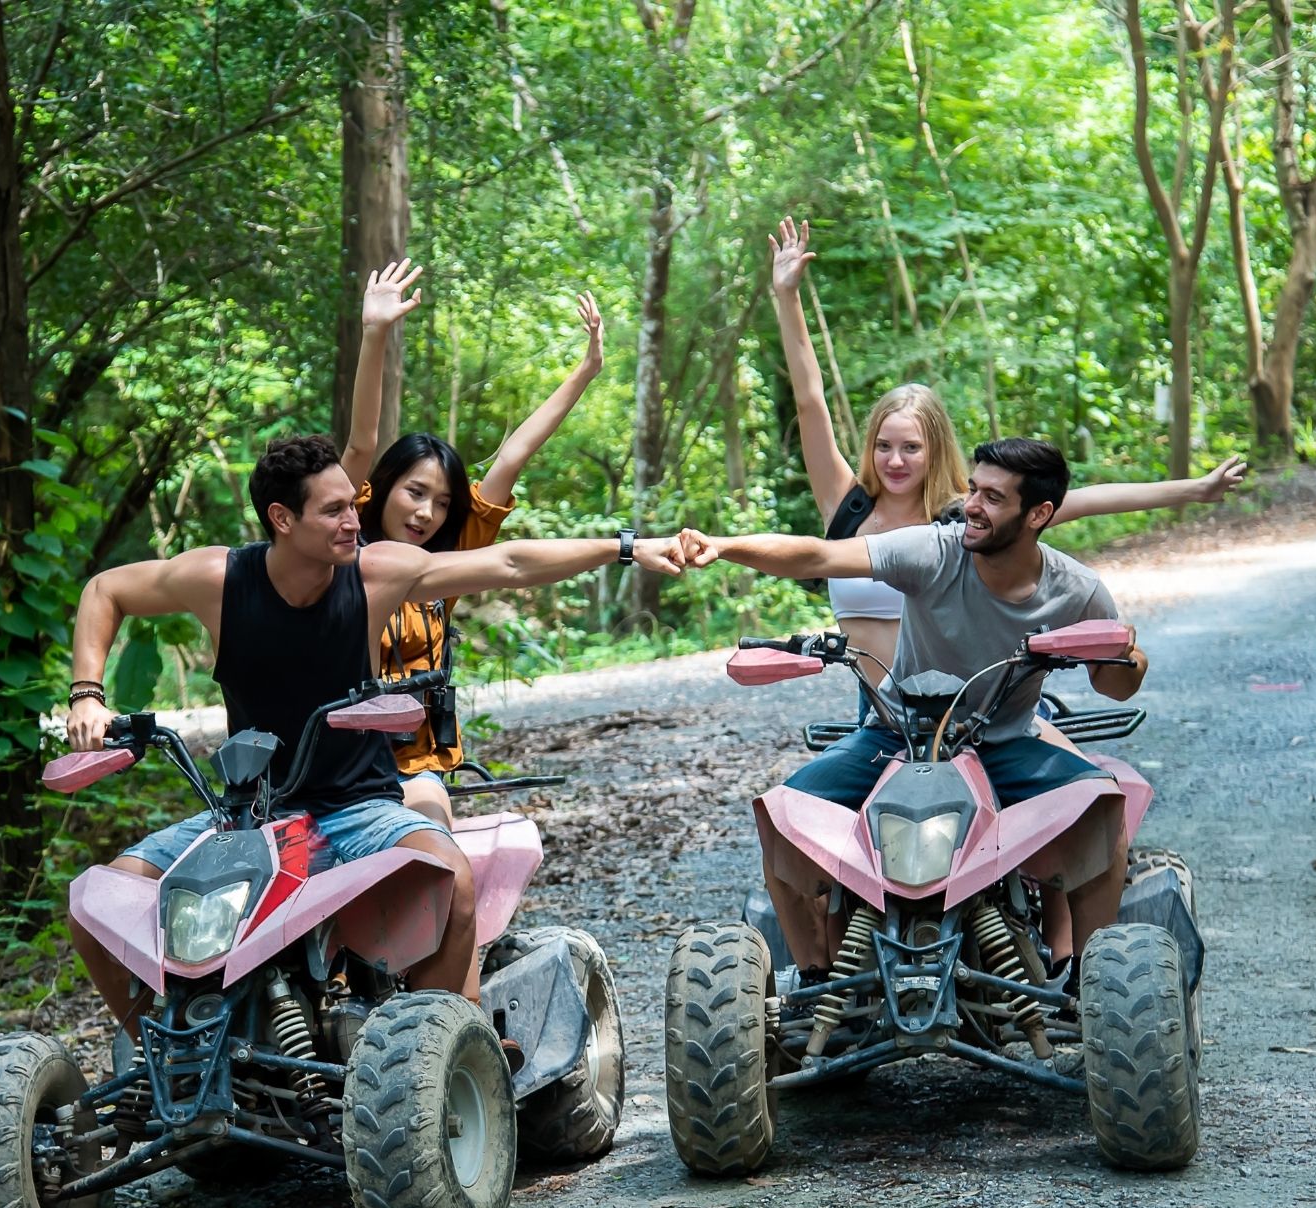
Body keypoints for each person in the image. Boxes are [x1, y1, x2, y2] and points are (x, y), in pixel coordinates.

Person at [65, 430, 685, 1039]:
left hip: (357, 808)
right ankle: (162, 1045)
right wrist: (87, 694)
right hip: (250, 817)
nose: (353, 522)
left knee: (450, 873)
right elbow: (104, 589)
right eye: (334, 510)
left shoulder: (373, 575)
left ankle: (447, 1048)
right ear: (282, 518)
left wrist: (627, 547)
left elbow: (509, 562)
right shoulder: (219, 580)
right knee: (102, 903)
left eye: (351, 506)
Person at [680, 436, 1142, 972]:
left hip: (1004, 743)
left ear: (1039, 514)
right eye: (973, 490)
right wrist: (726, 546)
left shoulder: (1077, 590)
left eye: (993, 498)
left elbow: (1116, 683)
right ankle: (813, 981)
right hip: (896, 737)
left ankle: (1090, 980)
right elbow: (821, 554)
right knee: (783, 816)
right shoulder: (935, 550)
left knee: (1104, 811)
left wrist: (1127, 657)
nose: (971, 505)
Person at [765, 217, 1242, 714]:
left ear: (936, 448)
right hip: (886, 717)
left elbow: (1086, 501)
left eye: (911, 447)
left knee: (1070, 781)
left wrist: (1195, 489)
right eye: (884, 446)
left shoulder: (966, 518)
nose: (895, 460)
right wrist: (787, 296)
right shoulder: (845, 507)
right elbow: (810, 402)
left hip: (981, 710)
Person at [343, 293, 607, 828]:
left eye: (442, 503)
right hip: (337, 763)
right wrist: (375, 334)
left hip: (417, 765)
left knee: (429, 837)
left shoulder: (448, 564)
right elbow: (359, 445)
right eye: (415, 493)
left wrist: (587, 370)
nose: (427, 513)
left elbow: (513, 457)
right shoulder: (340, 542)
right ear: (385, 486)